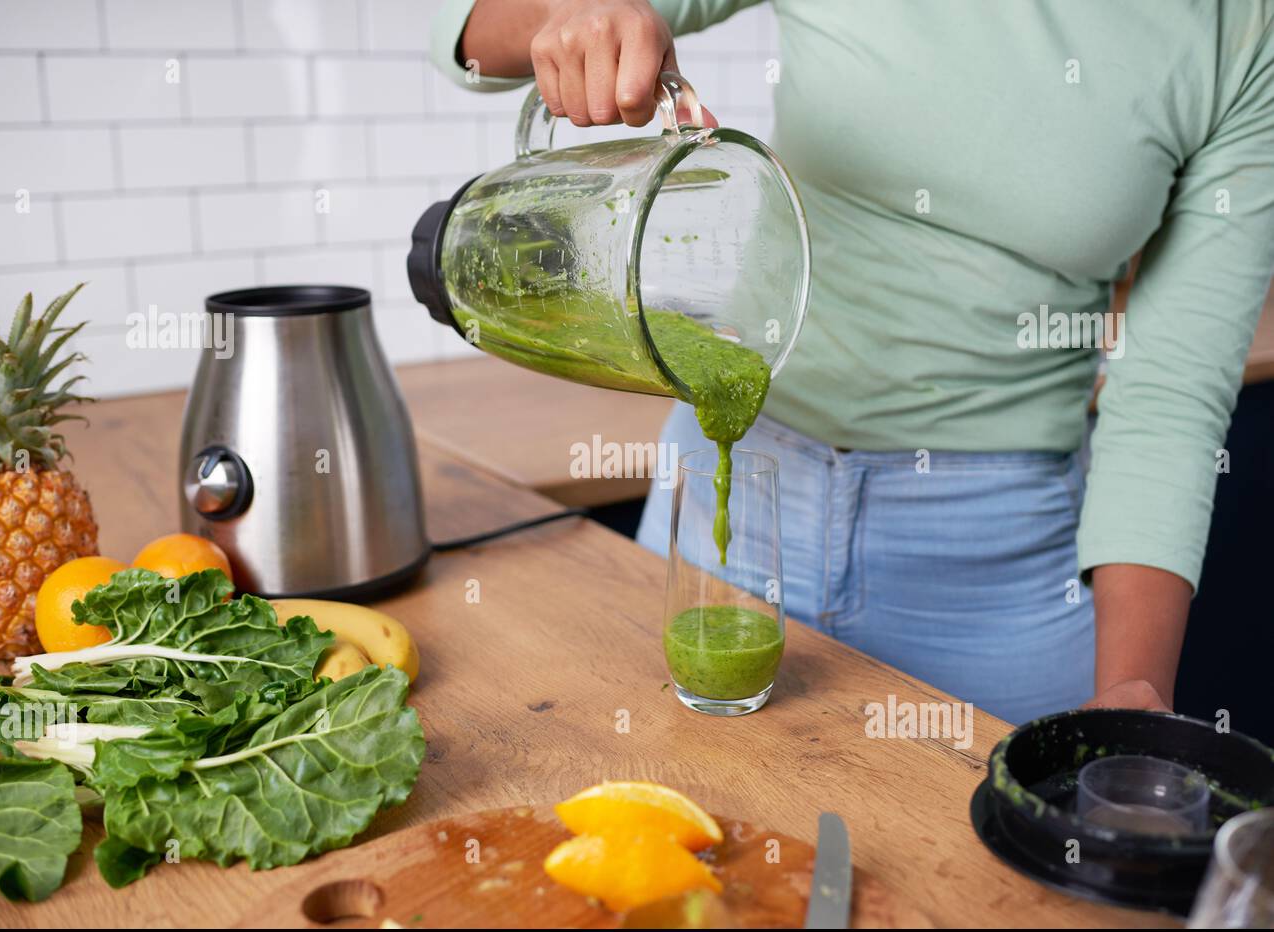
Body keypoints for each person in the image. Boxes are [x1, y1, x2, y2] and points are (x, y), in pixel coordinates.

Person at [431, 0, 1274, 724]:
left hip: (1000, 572)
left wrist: (1131, 689)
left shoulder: (1239, 33)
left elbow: (1168, 398)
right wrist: (578, 12)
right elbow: (463, 30)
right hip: (728, 521)